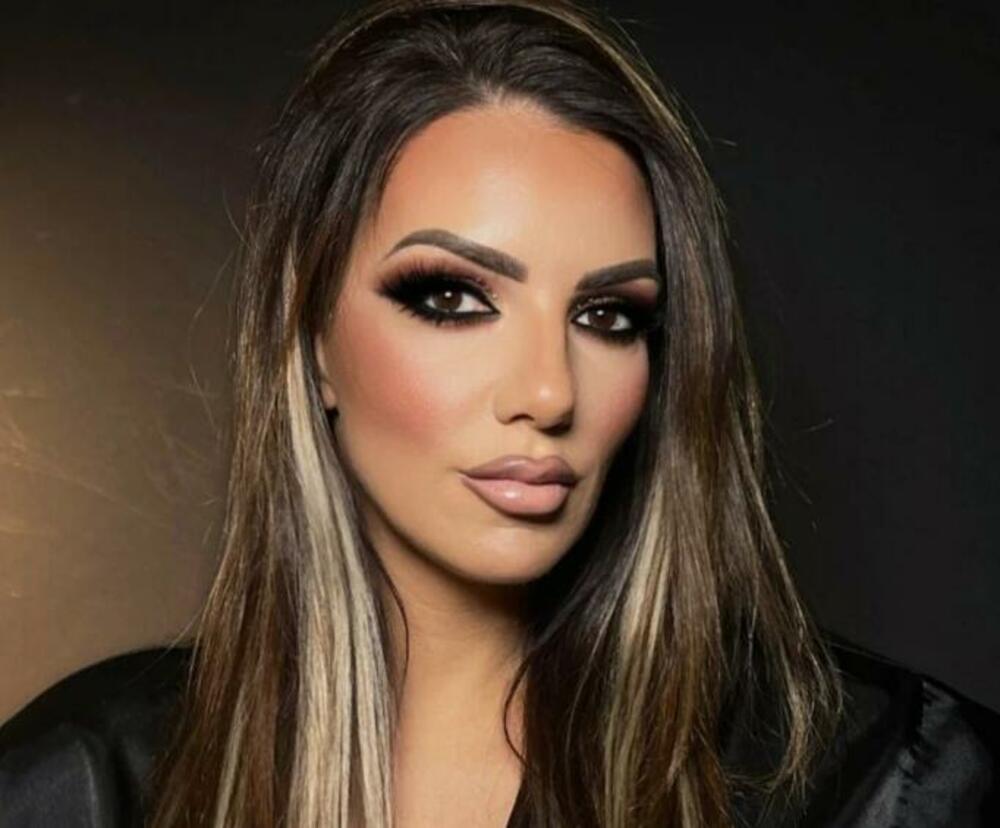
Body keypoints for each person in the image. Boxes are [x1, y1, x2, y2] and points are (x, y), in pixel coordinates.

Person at [1, 0, 997, 826]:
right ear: (309, 334)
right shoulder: (92, 782)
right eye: (452, 298)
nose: (549, 393)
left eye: (608, 316)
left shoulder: (890, 782)